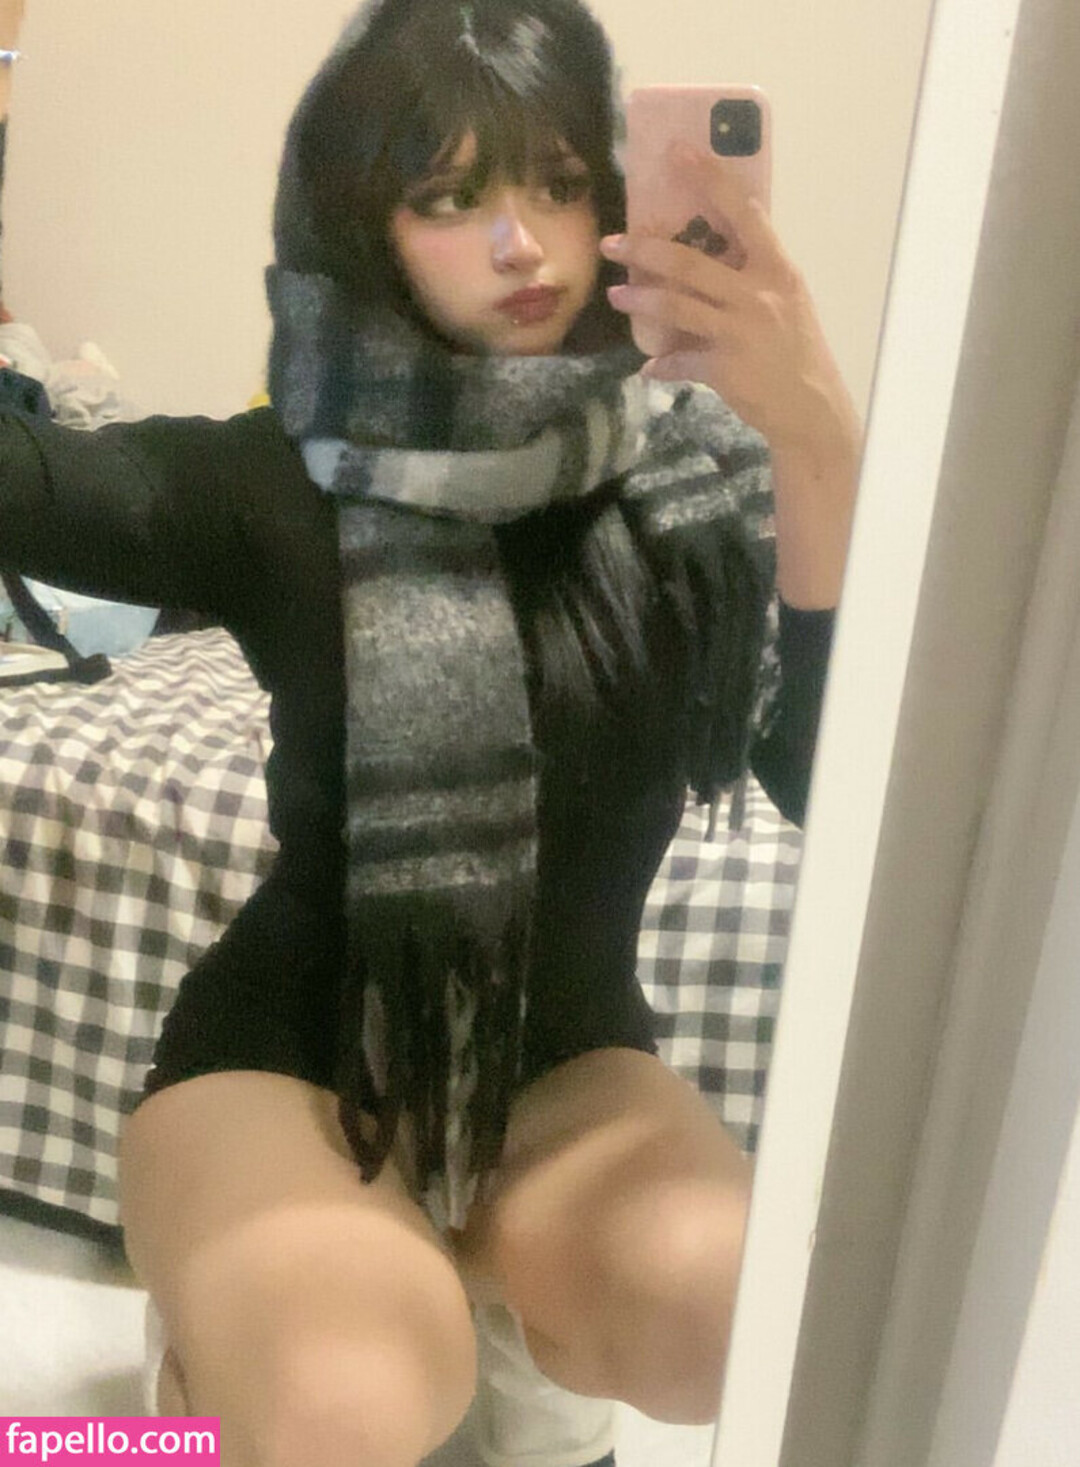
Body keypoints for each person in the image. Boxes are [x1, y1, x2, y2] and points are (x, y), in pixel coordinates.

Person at [0, 1, 860, 1464]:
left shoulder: (699, 485)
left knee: (741, 1313)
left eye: (557, 182)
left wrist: (819, 437)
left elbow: (844, 785)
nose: (521, 243)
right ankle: (232, 1378)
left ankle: (499, 1309)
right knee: (347, 1397)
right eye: (449, 197)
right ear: (365, 223)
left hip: (565, 1066)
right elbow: (32, 479)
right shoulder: (282, 475)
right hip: (288, 1062)